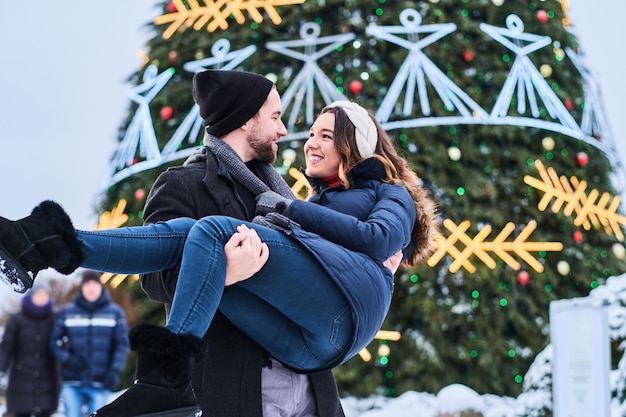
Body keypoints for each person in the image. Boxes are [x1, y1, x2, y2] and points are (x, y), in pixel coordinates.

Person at [0, 97, 439, 417]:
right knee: (195, 234)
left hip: (341, 317)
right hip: (299, 349)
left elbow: (379, 239)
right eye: (303, 131)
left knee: (211, 229)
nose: (303, 141)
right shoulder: (198, 182)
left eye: (325, 135)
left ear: (355, 144)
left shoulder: (385, 191)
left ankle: (168, 378)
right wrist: (229, 271)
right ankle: (47, 242)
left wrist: (291, 210)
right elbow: (167, 277)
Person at [140, 69, 347, 417]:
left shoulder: (277, 194)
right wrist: (222, 271)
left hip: (312, 384)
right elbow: (152, 278)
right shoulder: (182, 185)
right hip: (238, 384)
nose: (283, 130)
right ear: (245, 120)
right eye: (275, 117)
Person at [49, 270, 129, 417]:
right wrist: (68, 358)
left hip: (101, 381)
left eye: (94, 284)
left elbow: (121, 345)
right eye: (87, 285)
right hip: (72, 380)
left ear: (100, 286)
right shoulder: (67, 312)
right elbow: (54, 342)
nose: (91, 288)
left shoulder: (115, 313)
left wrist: (114, 371)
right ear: (82, 287)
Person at [0, 281, 60, 417]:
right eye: (39, 294)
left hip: (47, 378)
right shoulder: (17, 320)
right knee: (22, 412)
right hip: (21, 377)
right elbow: (6, 347)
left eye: (45, 294)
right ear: (31, 296)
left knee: (44, 412)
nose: (42, 297)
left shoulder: (54, 319)